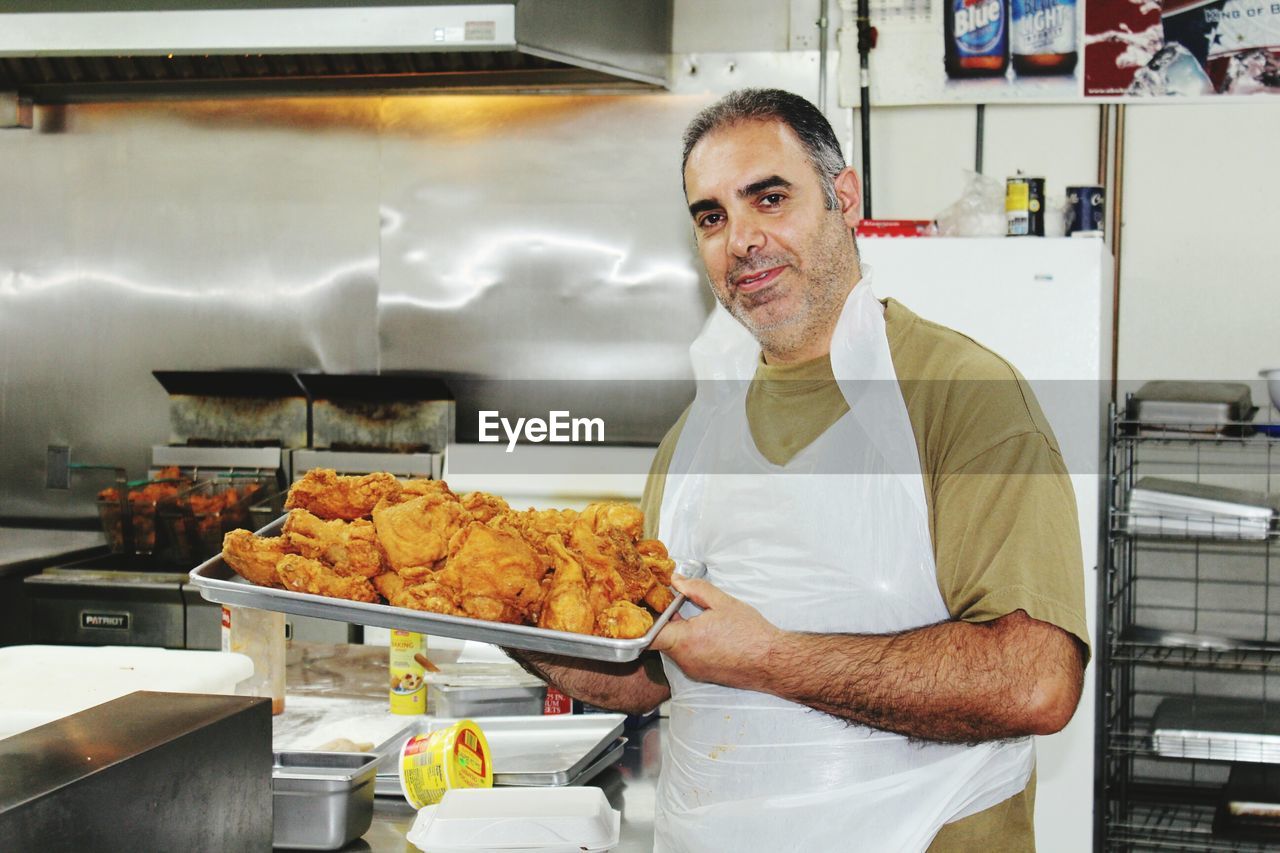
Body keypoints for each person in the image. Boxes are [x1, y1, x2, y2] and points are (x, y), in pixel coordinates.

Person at [513, 88, 1089, 852]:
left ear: (843, 198)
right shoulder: (693, 435)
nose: (741, 240)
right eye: (712, 216)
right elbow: (651, 673)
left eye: (770, 198)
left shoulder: (961, 398)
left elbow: (1036, 679)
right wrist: (499, 610)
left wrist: (772, 658)